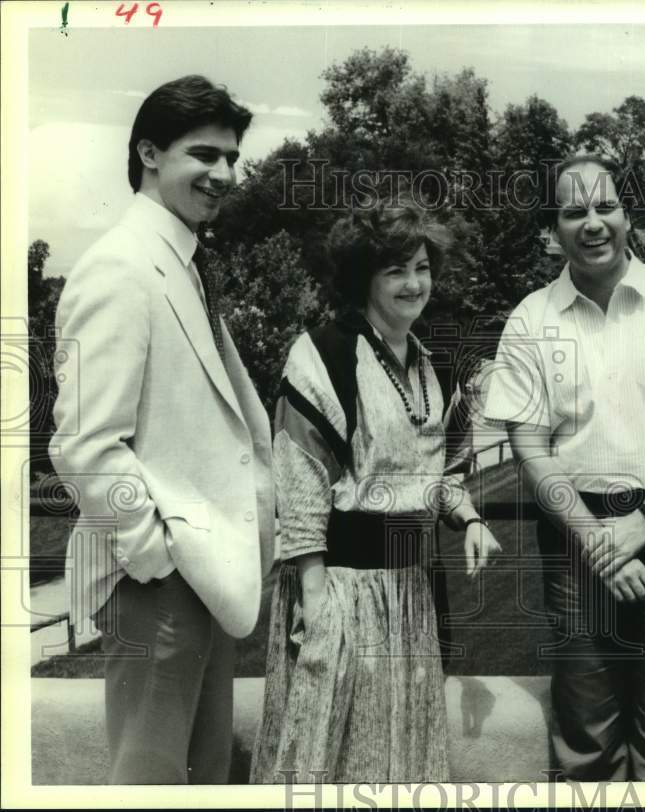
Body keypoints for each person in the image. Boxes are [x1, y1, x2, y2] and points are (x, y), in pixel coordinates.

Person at [483, 156, 645, 780]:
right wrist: (602, 544)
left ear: (628, 215)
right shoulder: (530, 320)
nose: (593, 223)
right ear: (553, 228)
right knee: (586, 740)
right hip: (578, 544)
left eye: (605, 207)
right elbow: (531, 447)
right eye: (574, 211)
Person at [49, 75, 275, 783]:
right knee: (148, 783)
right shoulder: (121, 267)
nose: (223, 174)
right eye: (203, 154)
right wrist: (154, 556)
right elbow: (84, 444)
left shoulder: (183, 263)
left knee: (201, 778)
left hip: (201, 579)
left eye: (232, 158)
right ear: (148, 152)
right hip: (157, 583)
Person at [249, 188, 500, 783]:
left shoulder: (426, 363)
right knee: (327, 760)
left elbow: (433, 477)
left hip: (410, 591)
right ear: (364, 277)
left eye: (421, 268)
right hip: (340, 587)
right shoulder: (323, 355)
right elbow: (303, 486)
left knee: (401, 759)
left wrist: (469, 518)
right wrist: (315, 606)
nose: (414, 284)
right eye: (396, 270)